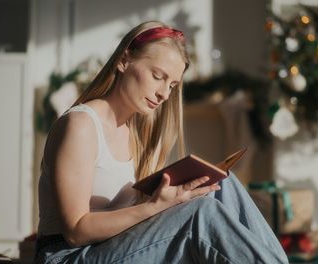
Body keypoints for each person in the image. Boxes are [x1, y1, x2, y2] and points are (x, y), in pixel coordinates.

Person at [36, 20, 289, 264]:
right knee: (201, 214)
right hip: (67, 256)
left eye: (172, 85)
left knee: (221, 183)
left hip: (111, 247)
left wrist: (172, 198)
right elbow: (76, 231)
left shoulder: (135, 132)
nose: (164, 93)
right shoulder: (80, 125)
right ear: (124, 61)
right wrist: (155, 207)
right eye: (158, 76)